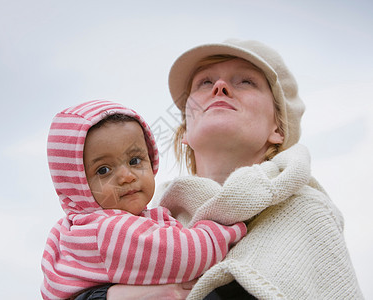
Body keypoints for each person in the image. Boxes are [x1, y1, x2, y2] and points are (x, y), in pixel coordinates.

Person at [100, 39, 364, 299]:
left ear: (278, 130)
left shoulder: (307, 215)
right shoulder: (136, 225)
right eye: (205, 82)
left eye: (246, 81)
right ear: (185, 133)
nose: (220, 87)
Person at [40, 100, 247, 300]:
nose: (127, 176)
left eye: (134, 160)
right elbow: (184, 258)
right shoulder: (105, 231)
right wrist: (226, 229)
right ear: (76, 186)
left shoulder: (81, 230)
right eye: (103, 170)